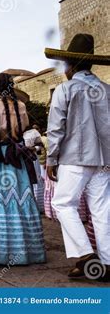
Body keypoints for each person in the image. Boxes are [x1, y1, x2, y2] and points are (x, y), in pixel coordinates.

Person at [45, 33, 109, 281]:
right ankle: (104, 262)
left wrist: (51, 159)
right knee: (101, 211)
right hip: (104, 161)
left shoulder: (66, 89)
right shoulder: (106, 90)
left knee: (63, 204)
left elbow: (56, 128)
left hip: (75, 159)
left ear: (70, 66)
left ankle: (85, 255)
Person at [0, 60, 46, 265]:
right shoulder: (21, 106)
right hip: (16, 155)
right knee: (19, 196)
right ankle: (25, 248)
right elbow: (23, 131)